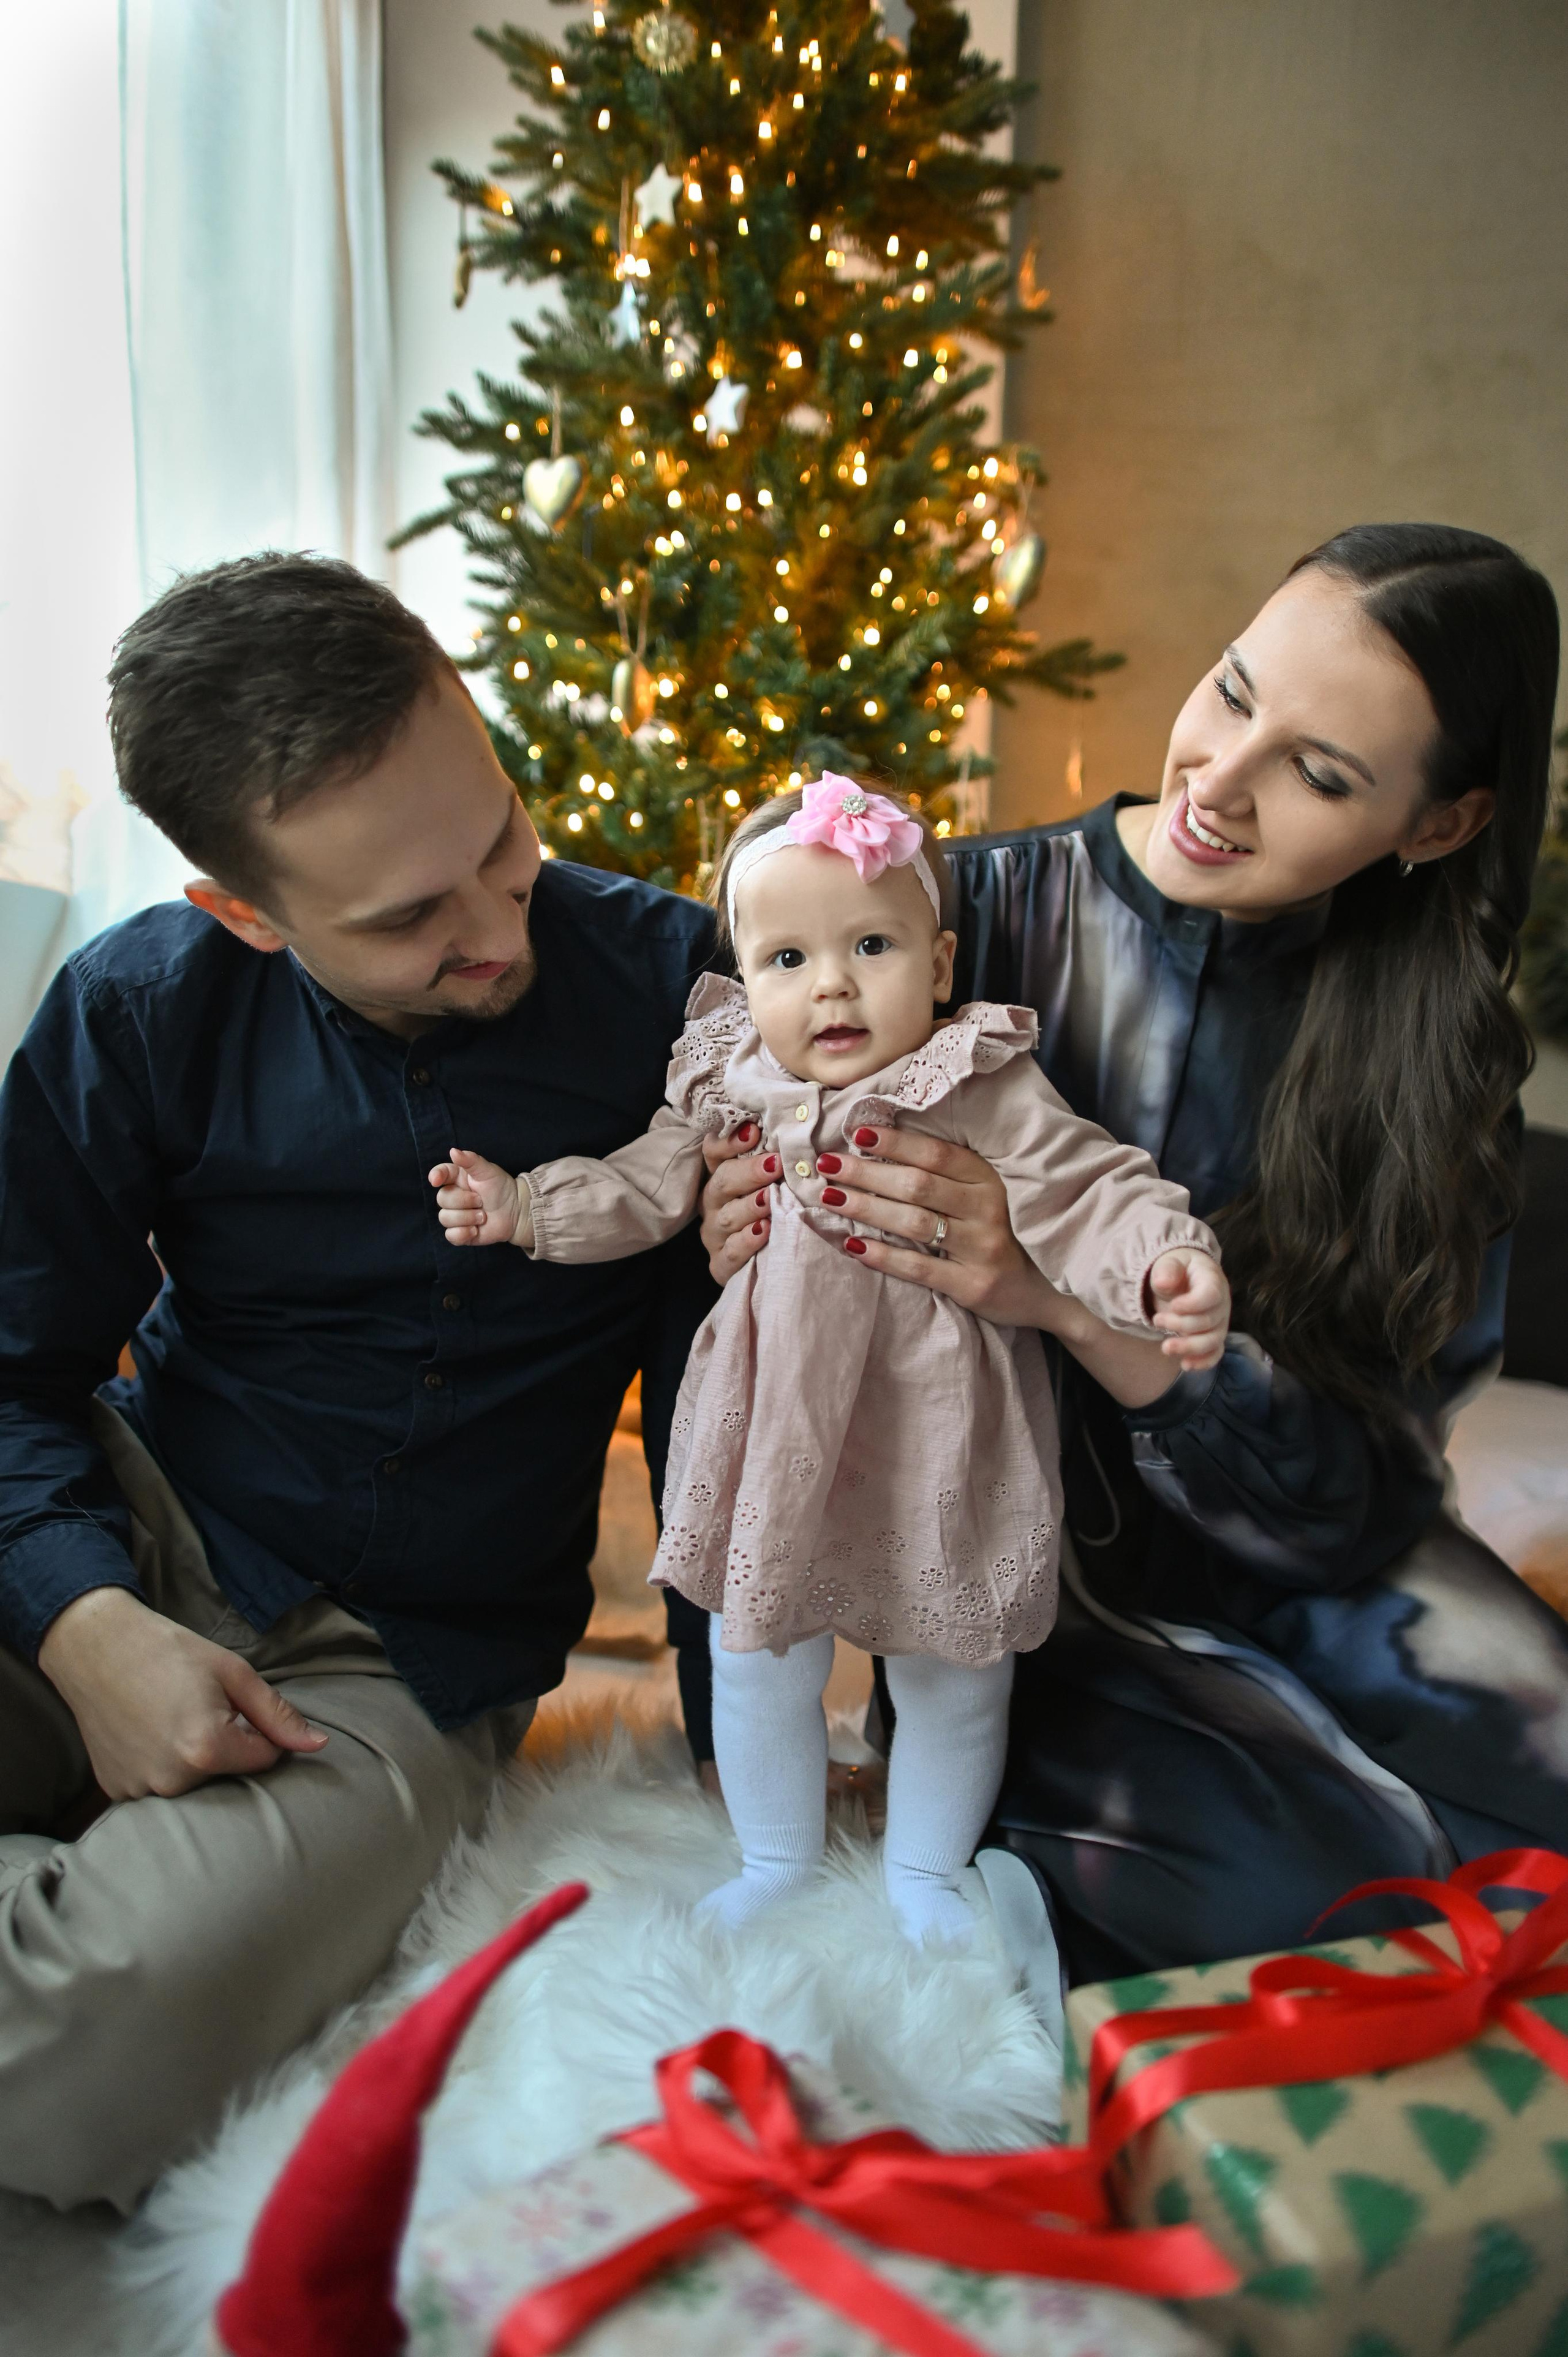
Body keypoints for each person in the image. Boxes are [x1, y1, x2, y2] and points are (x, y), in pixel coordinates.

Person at [697, 523, 1568, 1980]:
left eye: (1317, 772)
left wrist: (1073, 1312)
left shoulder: (1442, 1061)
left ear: (1438, 824)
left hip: (1299, 1542)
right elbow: (741, 1079)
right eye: (1231, 692)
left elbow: (1363, 1491)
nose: (1216, 782)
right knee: (1308, 1894)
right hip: (1006, 1554)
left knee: (1536, 1809)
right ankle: (1002, 1850)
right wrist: (725, 1206)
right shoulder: (946, 911)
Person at [0, 553, 717, 2209]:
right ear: (244, 914)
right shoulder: (139, 1005)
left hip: (401, 1664)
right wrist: (85, 1626)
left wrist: (737, 1735)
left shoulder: (681, 998)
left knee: (106, 2047)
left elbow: (722, 1414)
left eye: (503, 839)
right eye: (408, 919)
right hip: (131, 1519)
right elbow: (13, 1369)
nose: (498, 930)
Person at [426, 775, 1229, 1950]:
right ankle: (775, 1858)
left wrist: (1163, 1258)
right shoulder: (736, 1082)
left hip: (939, 1429)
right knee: (758, 1653)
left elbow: (1087, 1182)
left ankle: (926, 1872)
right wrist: (528, 1209)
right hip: (777, 1425)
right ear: (747, 983)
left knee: (954, 1668)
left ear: (939, 965)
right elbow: (645, 1185)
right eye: (788, 959)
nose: (833, 986)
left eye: (871, 946)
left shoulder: (975, 1082)